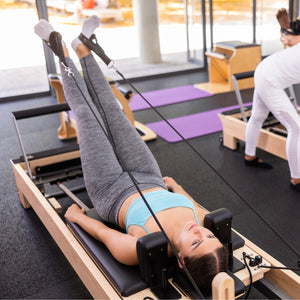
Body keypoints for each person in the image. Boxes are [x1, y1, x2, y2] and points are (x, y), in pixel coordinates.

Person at [34, 16, 227, 291]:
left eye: (197, 242)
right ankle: (82, 48)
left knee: (88, 117)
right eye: (209, 235)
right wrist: (176, 186)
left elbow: (103, 233)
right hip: (148, 175)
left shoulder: (143, 246)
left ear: (182, 259)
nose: (199, 231)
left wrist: (77, 217)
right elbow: (188, 201)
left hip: (111, 189)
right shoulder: (200, 220)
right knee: (114, 111)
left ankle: (59, 48)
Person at [244, 8, 300, 192]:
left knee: (258, 116)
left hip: (263, 70)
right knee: (296, 127)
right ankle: (296, 179)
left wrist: (286, 27)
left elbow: (291, 36)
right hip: (270, 79)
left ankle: (250, 157)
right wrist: (287, 28)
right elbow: (290, 36)